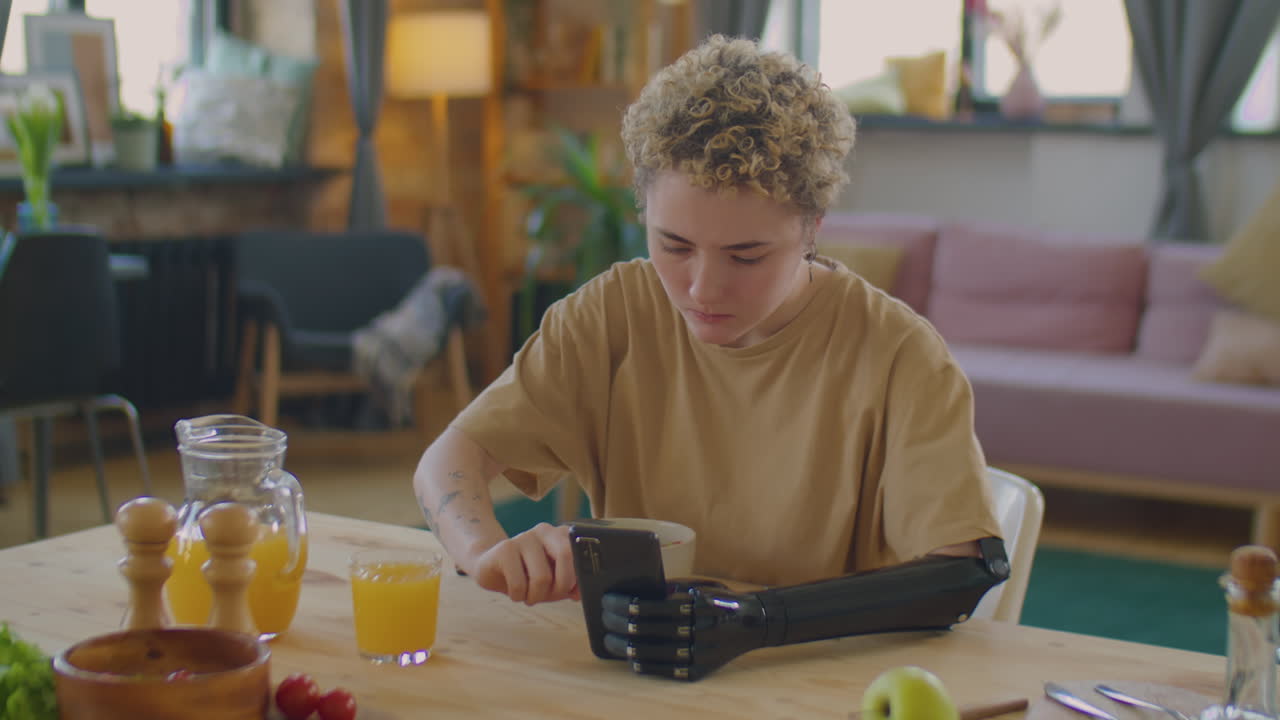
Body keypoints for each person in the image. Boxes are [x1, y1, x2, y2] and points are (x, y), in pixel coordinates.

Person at [413, 35, 1006, 680]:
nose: (701, 288)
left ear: (813, 225)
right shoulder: (614, 312)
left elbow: (956, 576)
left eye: (746, 256)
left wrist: (751, 621)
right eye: (673, 245)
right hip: (640, 677)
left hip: (813, 682)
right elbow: (449, 459)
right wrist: (485, 550)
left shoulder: (899, 354)